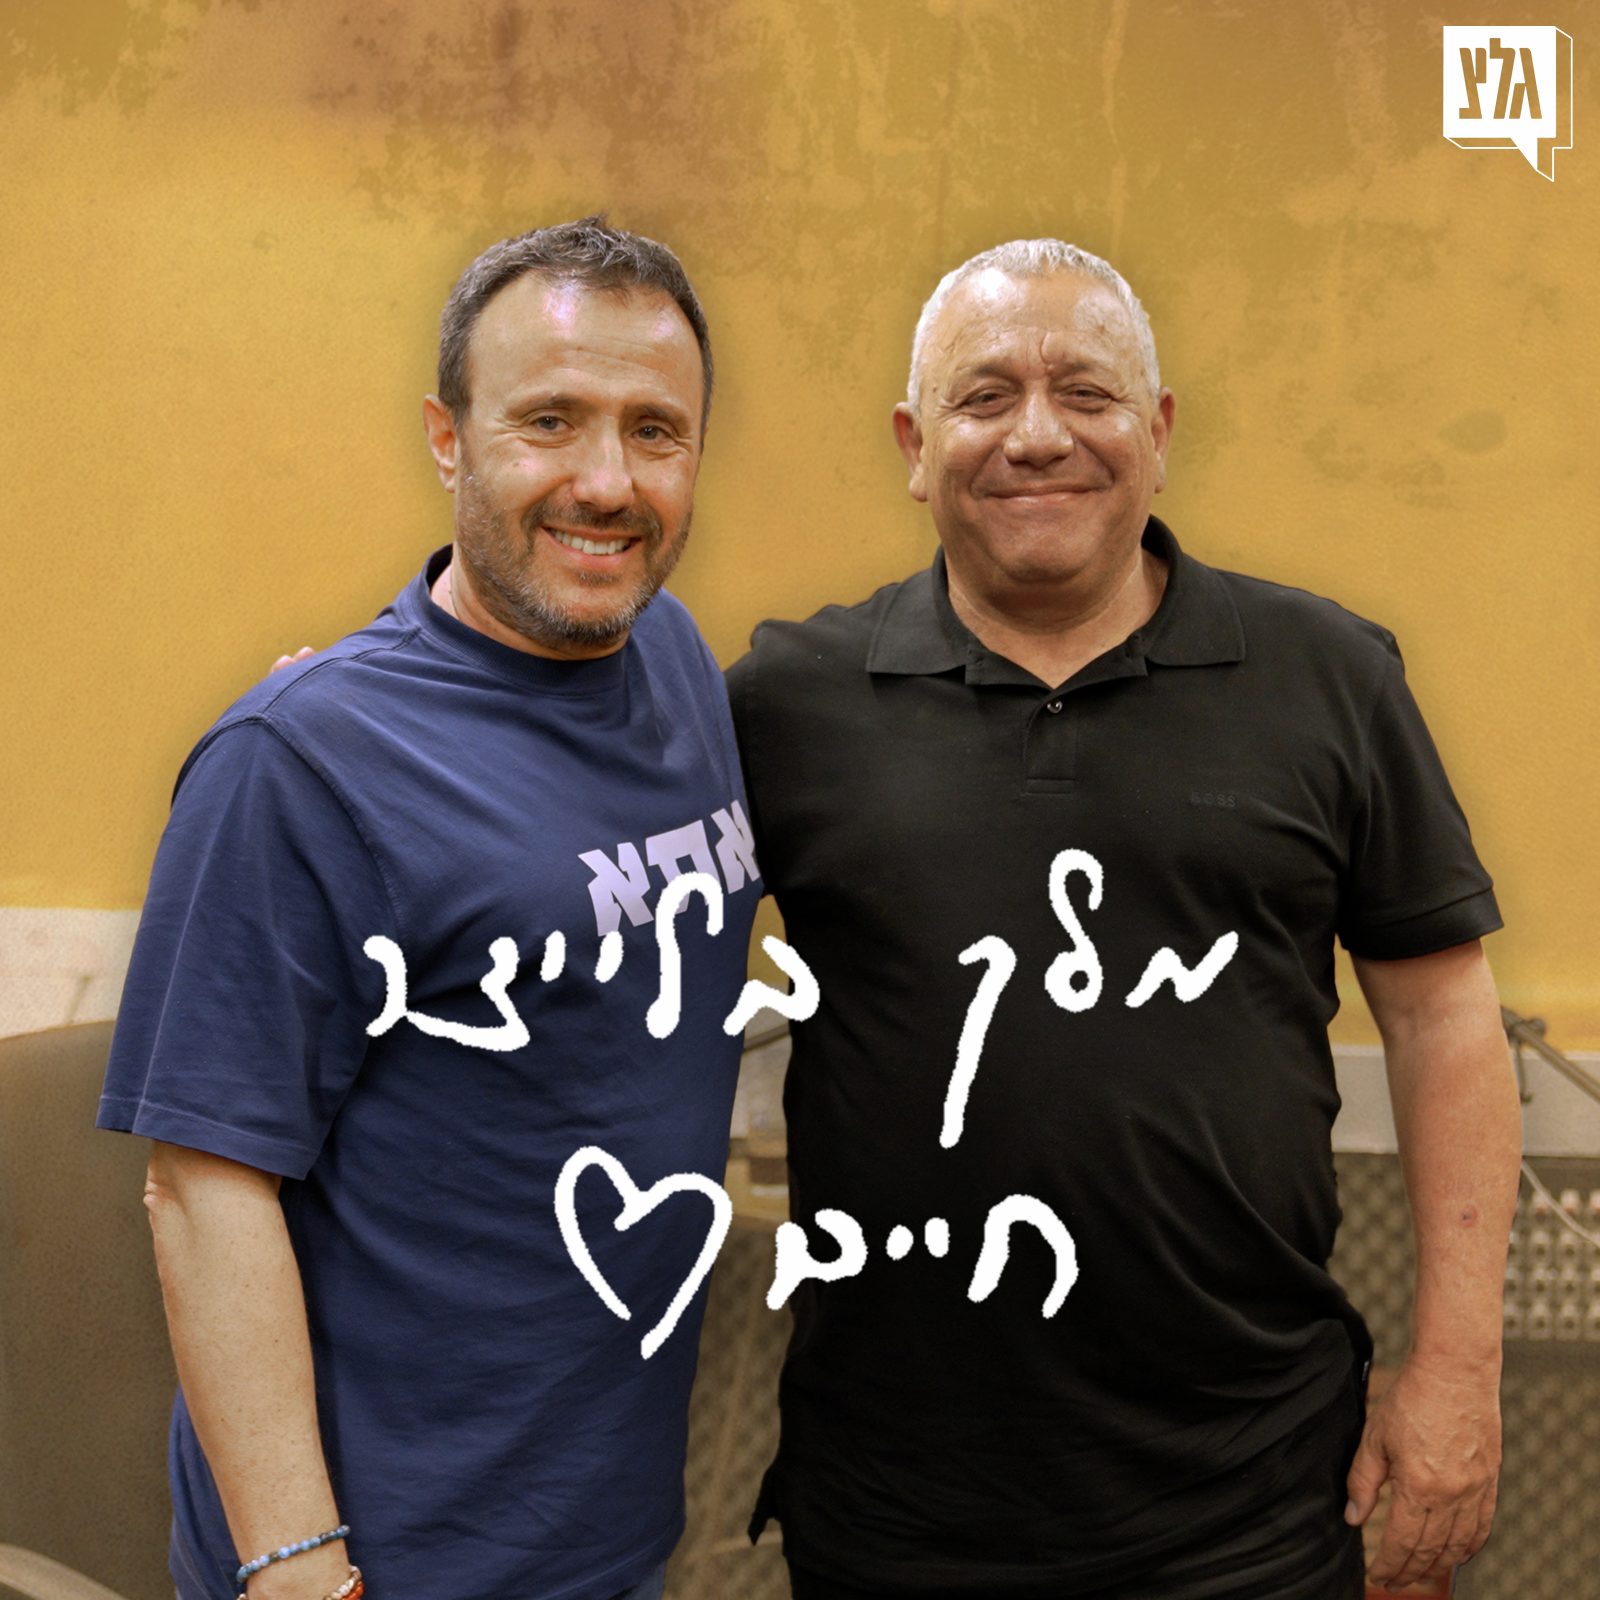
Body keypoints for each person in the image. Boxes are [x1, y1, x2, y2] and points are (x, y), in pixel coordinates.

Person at [729, 240, 1520, 1599]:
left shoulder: (1329, 675)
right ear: (916, 447)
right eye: (985, 397)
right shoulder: (786, 701)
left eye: (1086, 393)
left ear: (1156, 431)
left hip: (1252, 1503)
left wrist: (1456, 1368)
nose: (1038, 435)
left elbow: (1445, 1020)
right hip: (896, 1509)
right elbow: (601, 901)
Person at [98, 218, 763, 1600]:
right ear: (448, 438)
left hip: (605, 1538)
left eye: (655, 430)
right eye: (549, 420)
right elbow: (202, 1188)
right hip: (385, 1565)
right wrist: (297, 1568)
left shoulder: (676, 663)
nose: (607, 481)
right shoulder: (297, 766)